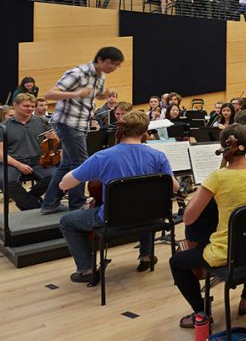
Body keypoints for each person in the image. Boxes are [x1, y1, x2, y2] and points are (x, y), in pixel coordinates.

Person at [171, 124, 246, 326]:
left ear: (224, 146)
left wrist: (200, 191)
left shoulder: (217, 177)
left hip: (226, 253)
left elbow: (188, 218)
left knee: (176, 263)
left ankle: (201, 314)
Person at [57, 111, 176, 284]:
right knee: (144, 203)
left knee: (66, 221)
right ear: (145, 132)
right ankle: (146, 256)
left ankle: (87, 270)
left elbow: (64, 184)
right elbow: (175, 186)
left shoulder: (102, 156)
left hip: (113, 219)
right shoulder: (158, 156)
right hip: (150, 217)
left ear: (120, 131)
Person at [39, 47, 123, 214]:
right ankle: (76, 205)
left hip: (80, 123)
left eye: (117, 65)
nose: (114, 67)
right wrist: (76, 93)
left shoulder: (100, 76)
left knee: (66, 165)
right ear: (99, 60)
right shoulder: (78, 73)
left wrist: (104, 94)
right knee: (81, 163)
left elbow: (95, 95)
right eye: (111, 63)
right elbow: (50, 94)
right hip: (67, 122)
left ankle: (50, 203)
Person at [0, 94, 57, 210]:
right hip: (12, 163)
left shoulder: (43, 121)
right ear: (15, 105)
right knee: (5, 181)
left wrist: (54, 138)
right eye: (26, 106)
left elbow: (55, 143)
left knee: (57, 175)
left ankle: (27, 200)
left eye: (32, 106)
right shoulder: (2, 127)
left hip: (39, 160)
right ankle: (34, 205)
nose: (30, 109)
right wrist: (19, 165)